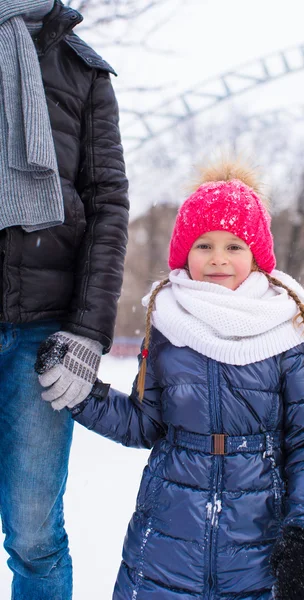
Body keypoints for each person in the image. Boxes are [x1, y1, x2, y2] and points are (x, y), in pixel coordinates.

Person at [50, 162, 304, 600]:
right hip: (166, 539)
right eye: (204, 244)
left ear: (257, 256)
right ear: (185, 253)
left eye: (234, 245)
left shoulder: (288, 329)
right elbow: (145, 424)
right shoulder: (167, 321)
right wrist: (82, 394)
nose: (218, 258)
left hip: (257, 545)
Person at [0, 1, 129, 599]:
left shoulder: (83, 72)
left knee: (33, 535)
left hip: (42, 336)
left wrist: (87, 331)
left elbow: (107, 204)